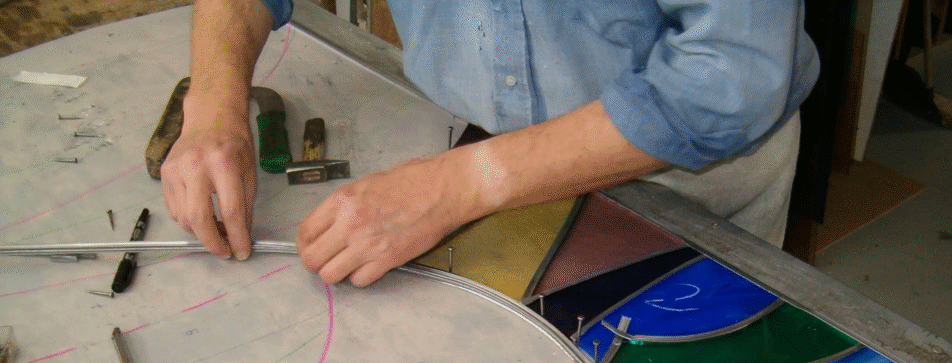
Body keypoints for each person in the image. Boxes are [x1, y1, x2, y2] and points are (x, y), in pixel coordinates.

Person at [162, 0, 818, 287]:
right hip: (452, 140)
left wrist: (460, 185)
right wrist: (216, 103)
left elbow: (729, 74)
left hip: (680, 179)